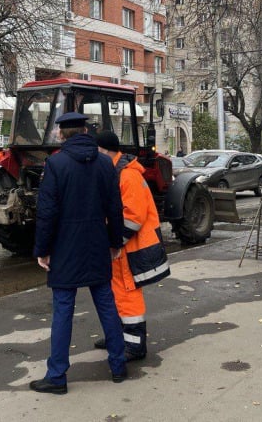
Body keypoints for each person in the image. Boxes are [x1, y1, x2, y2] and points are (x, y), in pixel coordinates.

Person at [29, 112, 128, 395]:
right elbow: (114, 207)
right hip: (97, 243)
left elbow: (47, 213)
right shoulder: (105, 164)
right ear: (86, 130)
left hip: (65, 247)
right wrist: (115, 242)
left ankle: (57, 376)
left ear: (61, 134)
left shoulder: (56, 164)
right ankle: (118, 366)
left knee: (63, 310)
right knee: (106, 304)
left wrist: (43, 250)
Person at [92, 131, 170, 361]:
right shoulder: (117, 172)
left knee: (128, 294)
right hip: (124, 246)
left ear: (105, 151)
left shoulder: (127, 176)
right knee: (117, 292)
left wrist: (115, 242)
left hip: (130, 247)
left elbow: (133, 217)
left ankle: (135, 346)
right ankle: (117, 337)